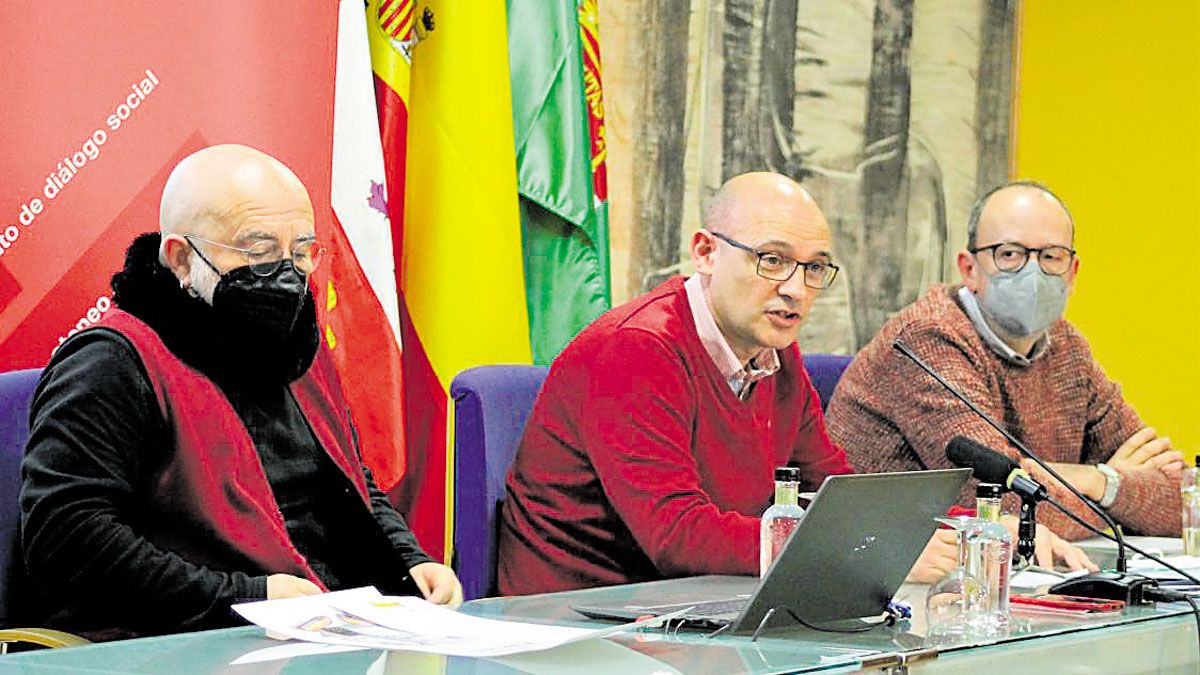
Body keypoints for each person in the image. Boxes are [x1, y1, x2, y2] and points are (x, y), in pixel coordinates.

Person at [497, 172, 1061, 596]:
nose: (795, 288)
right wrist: (867, 553)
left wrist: (974, 530)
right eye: (772, 260)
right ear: (706, 252)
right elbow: (677, 535)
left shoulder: (776, 357)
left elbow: (835, 488)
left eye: (814, 268)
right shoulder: (638, 349)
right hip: (585, 619)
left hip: (698, 608)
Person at [20, 144, 461, 640]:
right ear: (181, 258)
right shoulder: (113, 360)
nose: (287, 275)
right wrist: (246, 596)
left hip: (324, 629)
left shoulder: (296, 344)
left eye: (300, 252)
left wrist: (409, 562)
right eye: (258, 251)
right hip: (180, 639)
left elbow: (346, 481)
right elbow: (65, 540)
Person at [826, 180, 1183, 546]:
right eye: (1009, 254)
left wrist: (1097, 480)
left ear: (1073, 272)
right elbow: (1004, 508)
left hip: (1021, 579)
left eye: (1051, 256)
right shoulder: (927, 339)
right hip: (892, 580)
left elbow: (1184, 502)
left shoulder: (1067, 347)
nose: (1032, 272)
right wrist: (1117, 491)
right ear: (969, 269)